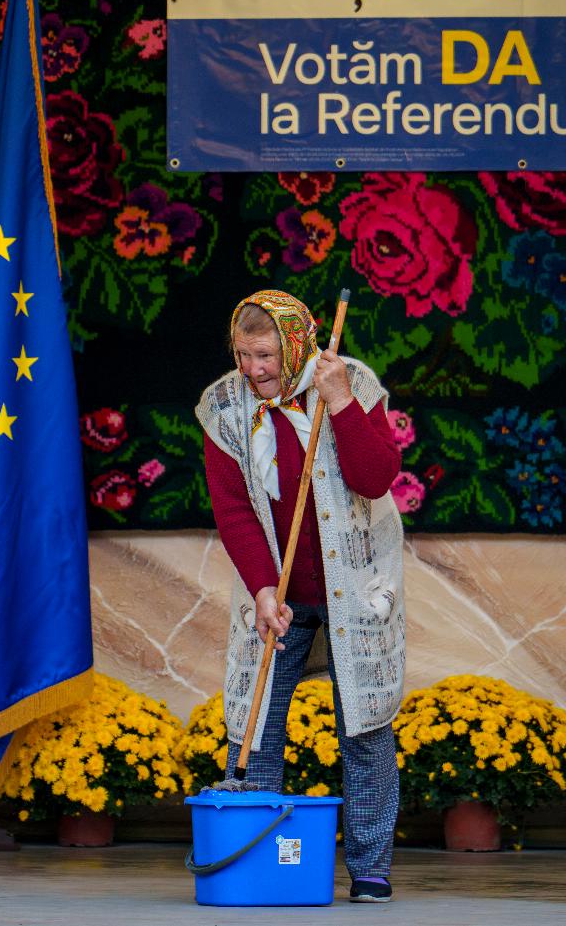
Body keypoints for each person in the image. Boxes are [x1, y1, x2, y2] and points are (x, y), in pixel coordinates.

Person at [194, 288, 405, 905]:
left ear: (294, 344)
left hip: (355, 588)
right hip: (275, 589)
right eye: (242, 354)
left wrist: (338, 402)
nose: (253, 369)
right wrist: (262, 587)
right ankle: (254, 858)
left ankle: (370, 870)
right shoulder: (223, 406)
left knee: (364, 726)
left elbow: (375, 478)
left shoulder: (353, 383)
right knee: (255, 723)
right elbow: (233, 511)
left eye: (264, 354)